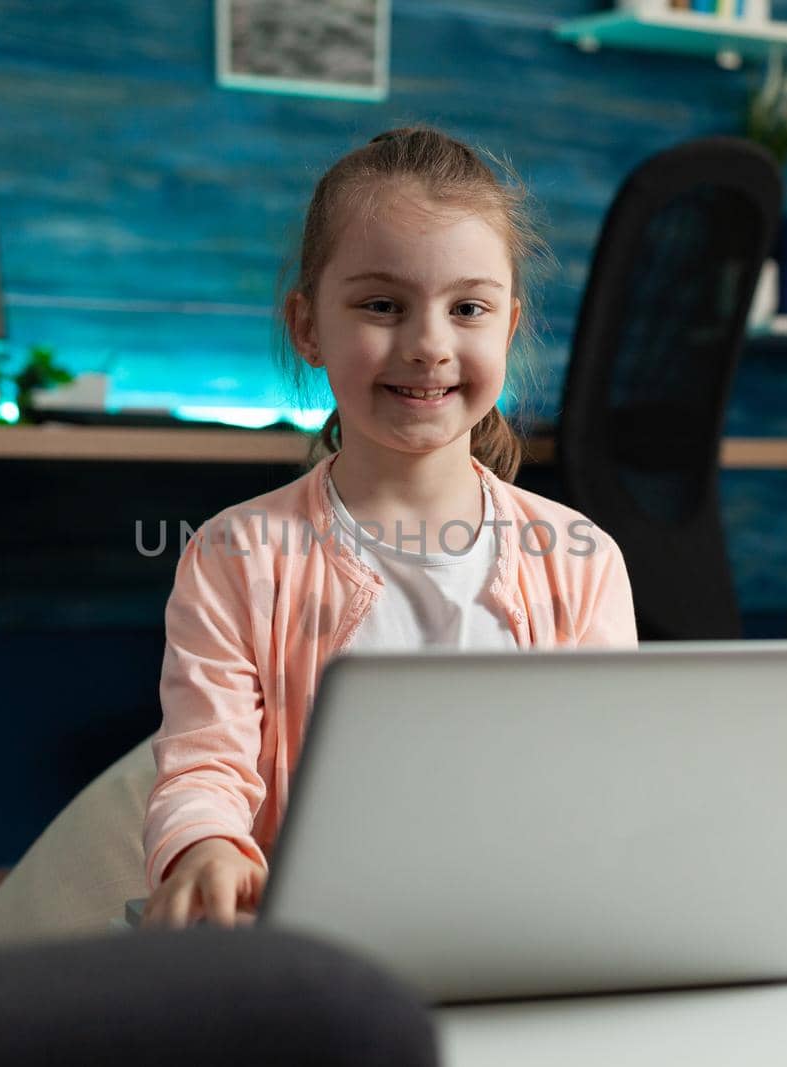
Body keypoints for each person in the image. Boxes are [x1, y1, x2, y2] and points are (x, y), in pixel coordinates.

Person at [142, 127, 638, 929]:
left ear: (509, 326)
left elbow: (611, 778)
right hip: (317, 947)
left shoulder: (582, 561)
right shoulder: (233, 556)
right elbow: (204, 768)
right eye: (382, 305)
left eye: (468, 308)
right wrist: (207, 846)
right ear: (307, 326)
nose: (428, 345)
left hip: (524, 930)